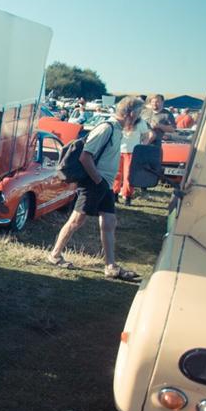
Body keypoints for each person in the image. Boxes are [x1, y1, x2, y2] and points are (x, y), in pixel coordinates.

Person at [47, 96, 144, 281]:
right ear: (131, 114)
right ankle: (55, 255)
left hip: (104, 184)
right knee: (76, 220)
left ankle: (110, 266)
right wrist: (98, 180)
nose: (140, 118)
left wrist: (102, 183)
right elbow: (85, 156)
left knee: (109, 222)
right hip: (95, 182)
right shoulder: (106, 128)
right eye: (139, 113)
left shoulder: (117, 130)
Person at [112, 97, 151, 206]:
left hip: (132, 152)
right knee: (116, 174)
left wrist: (143, 147)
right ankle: (114, 195)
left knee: (129, 176)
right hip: (118, 151)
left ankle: (127, 197)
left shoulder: (141, 122)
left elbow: (146, 136)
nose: (139, 113)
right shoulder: (120, 120)